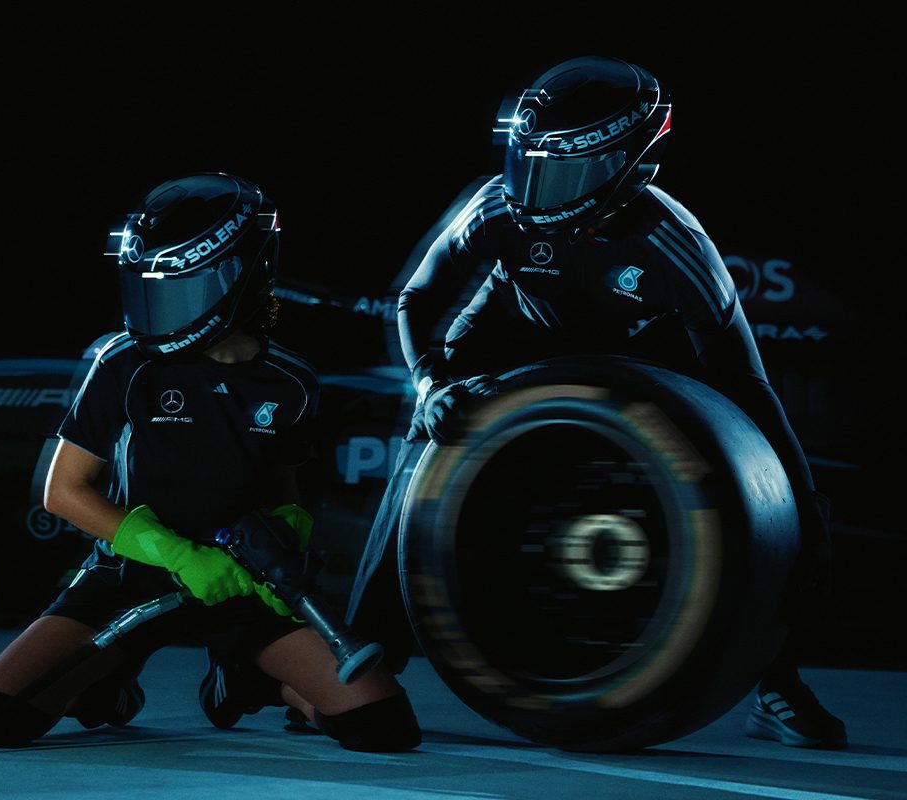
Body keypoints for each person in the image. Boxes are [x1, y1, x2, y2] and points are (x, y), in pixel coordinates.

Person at [345, 55, 846, 749]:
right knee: (427, 441)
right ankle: (364, 657)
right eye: (531, 163)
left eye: (565, 171)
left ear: (632, 164)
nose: (536, 190)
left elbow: (748, 384)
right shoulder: (496, 202)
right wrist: (430, 383)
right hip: (510, 333)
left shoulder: (677, 248)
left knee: (757, 514)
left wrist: (803, 502)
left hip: (645, 355)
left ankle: (775, 683)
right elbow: (417, 299)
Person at [0, 172, 421, 753]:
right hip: (128, 583)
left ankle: (252, 681)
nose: (159, 311)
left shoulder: (292, 382)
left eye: (180, 290)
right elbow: (62, 491)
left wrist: (287, 545)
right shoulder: (124, 363)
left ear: (245, 277)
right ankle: (110, 679)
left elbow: (283, 490)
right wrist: (178, 553)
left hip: (238, 586)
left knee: (383, 728)